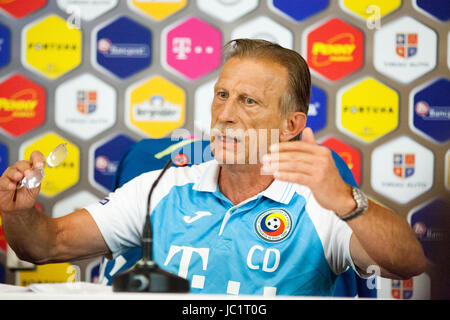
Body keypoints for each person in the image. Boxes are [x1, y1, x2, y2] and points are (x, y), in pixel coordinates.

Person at [0, 39, 425, 296]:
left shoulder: (318, 205)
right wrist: (18, 213)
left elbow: (407, 263)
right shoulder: (161, 186)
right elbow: (45, 246)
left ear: (291, 125)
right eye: (222, 95)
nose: (225, 114)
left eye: (249, 101)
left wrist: (349, 204)